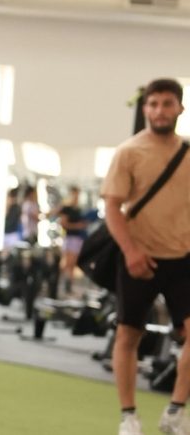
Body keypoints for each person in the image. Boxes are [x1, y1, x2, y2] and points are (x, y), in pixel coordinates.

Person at [101, 78, 190, 435]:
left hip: (182, 258)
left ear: (180, 108)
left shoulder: (188, 152)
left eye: (167, 103)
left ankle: (175, 412)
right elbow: (112, 207)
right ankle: (129, 417)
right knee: (128, 335)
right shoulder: (129, 151)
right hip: (138, 258)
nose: (159, 111)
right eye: (153, 104)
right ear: (145, 109)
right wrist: (131, 251)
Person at [51, 186, 89, 293]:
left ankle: (68, 286)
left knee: (72, 264)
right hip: (70, 238)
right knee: (68, 264)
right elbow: (63, 224)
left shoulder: (78, 209)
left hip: (78, 238)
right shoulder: (67, 209)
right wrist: (78, 226)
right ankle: (60, 284)